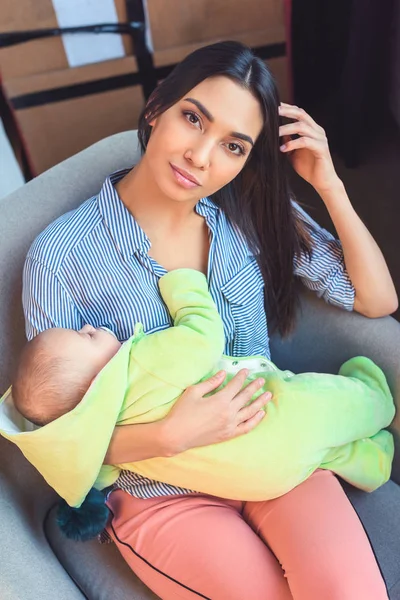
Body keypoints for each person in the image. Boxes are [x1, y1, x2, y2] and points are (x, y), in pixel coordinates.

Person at [20, 40, 397, 599]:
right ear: (156, 110)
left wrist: (329, 185)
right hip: (159, 485)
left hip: (272, 443)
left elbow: (377, 300)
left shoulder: (247, 214)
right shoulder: (61, 256)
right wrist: (168, 434)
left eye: (233, 146)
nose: (200, 156)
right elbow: (55, 437)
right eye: (193, 119)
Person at [8, 268, 394, 519]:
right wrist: (184, 288)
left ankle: (372, 460)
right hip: (271, 421)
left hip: (261, 481)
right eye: (86, 336)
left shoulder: (96, 441)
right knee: (327, 403)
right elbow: (204, 337)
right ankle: (376, 402)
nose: (90, 326)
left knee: (322, 453)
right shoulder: (141, 364)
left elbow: (100, 475)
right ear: (96, 382)